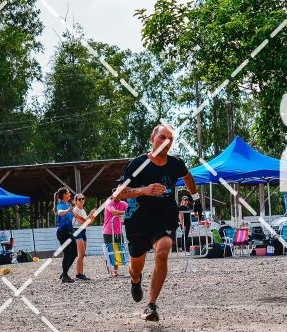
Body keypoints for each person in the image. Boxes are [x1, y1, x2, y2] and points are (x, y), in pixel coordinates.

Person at [113, 124, 199, 321]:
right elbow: (118, 194)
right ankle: (135, 280)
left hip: (164, 217)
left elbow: (187, 176)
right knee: (136, 267)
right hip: (138, 221)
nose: (166, 142)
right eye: (162, 137)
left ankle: (151, 305)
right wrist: (144, 190)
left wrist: (195, 197)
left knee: (164, 249)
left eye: (170, 139)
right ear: (152, 138)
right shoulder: (137, 164)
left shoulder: (176, 163)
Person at [103, 191, 128, 276]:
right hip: (108, 231)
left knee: (119, 250)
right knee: (109, 250)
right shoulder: (109, 203)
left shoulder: (123, 203)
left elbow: (130, 209)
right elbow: (113, 212)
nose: (118, 197)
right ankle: (109, 270)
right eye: (116, 195)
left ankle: (115, 271)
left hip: (118, 230)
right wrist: (126, 212)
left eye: (119, 195)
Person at [55, 187, 77, 283]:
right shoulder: (60, 205)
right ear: (64, 195)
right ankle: (65, 276)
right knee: (67, 253)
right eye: (68, 193)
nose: (70, 194)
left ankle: (64, 273)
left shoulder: (68, 205)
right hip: (62, 233)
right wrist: (68, 210)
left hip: (69, 232)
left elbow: (74, 216)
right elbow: (60, 213)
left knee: (74, 253)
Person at [72, 193, 93, 281]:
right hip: (77, 230)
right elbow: (82, 222)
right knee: (81, 253)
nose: (81, 200)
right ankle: (78, 274)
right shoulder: (75, 210)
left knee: (82, 254)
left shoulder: (83, 210)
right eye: (79, 199)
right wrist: (90, 218)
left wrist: (91, 214)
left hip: (83, 230)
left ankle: (81, 273)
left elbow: (86, 221)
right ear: (75, 201)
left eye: (83, 199)